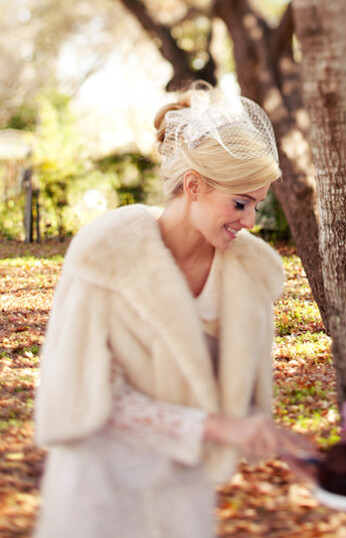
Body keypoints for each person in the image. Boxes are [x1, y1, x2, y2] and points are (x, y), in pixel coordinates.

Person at [33, 81, 316, 538]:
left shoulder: (248, 274)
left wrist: (278, 441)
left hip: (182, 492)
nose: (250, 223)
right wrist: (225, 427)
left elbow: (236, 396)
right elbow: (91, 396)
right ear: (193, 186)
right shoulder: (105, 256)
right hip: (100, 487)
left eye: (257, 206)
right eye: (240, 203)